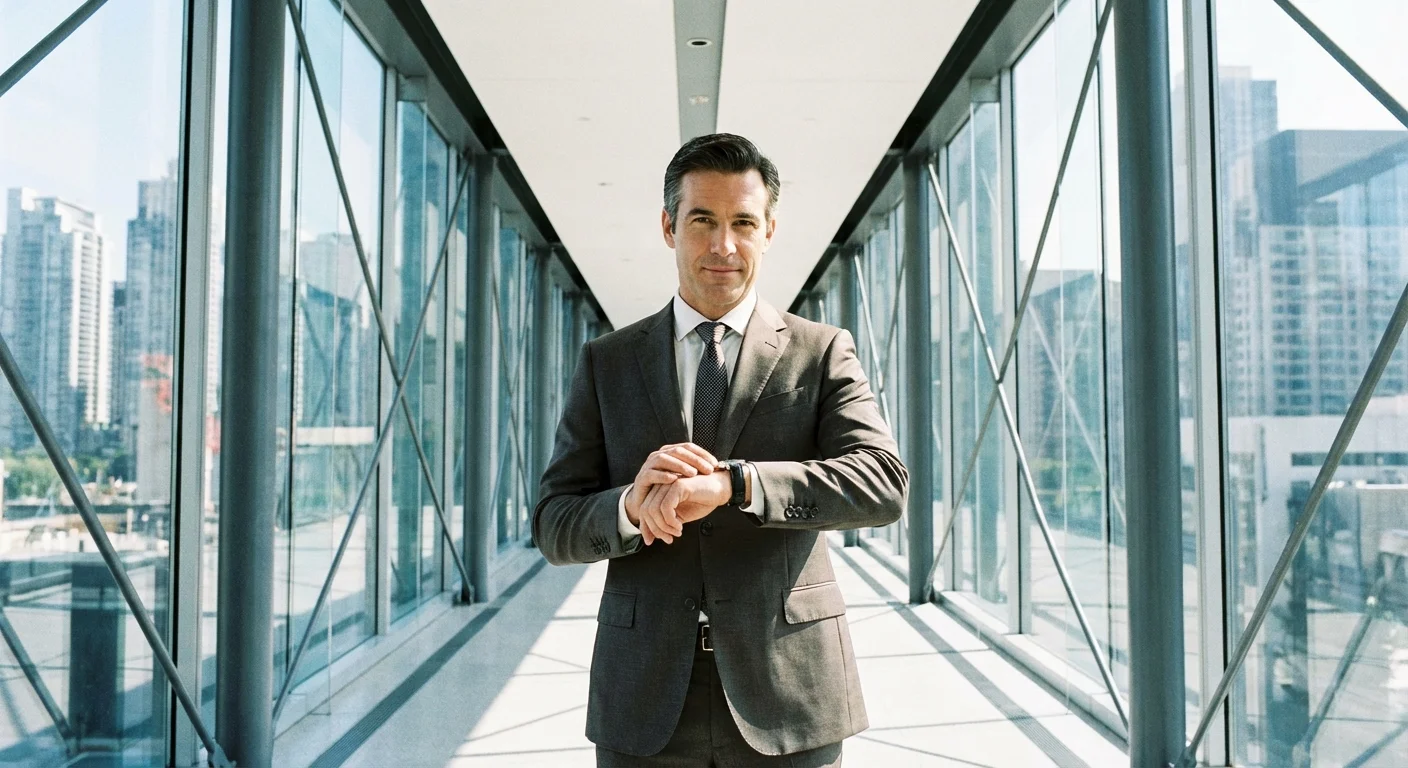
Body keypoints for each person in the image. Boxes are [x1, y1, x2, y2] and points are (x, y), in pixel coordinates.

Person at [533, 133, 908, 767]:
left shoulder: (821, 351)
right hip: (644, 698)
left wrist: (739, 484)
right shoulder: (608, 363)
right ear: (667, 226)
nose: (722, 246)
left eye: (743, 223)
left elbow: (882, 484)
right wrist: (630, 507)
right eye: (702, 220)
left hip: (789, 694)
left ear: (768, 231)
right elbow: (553, 524)